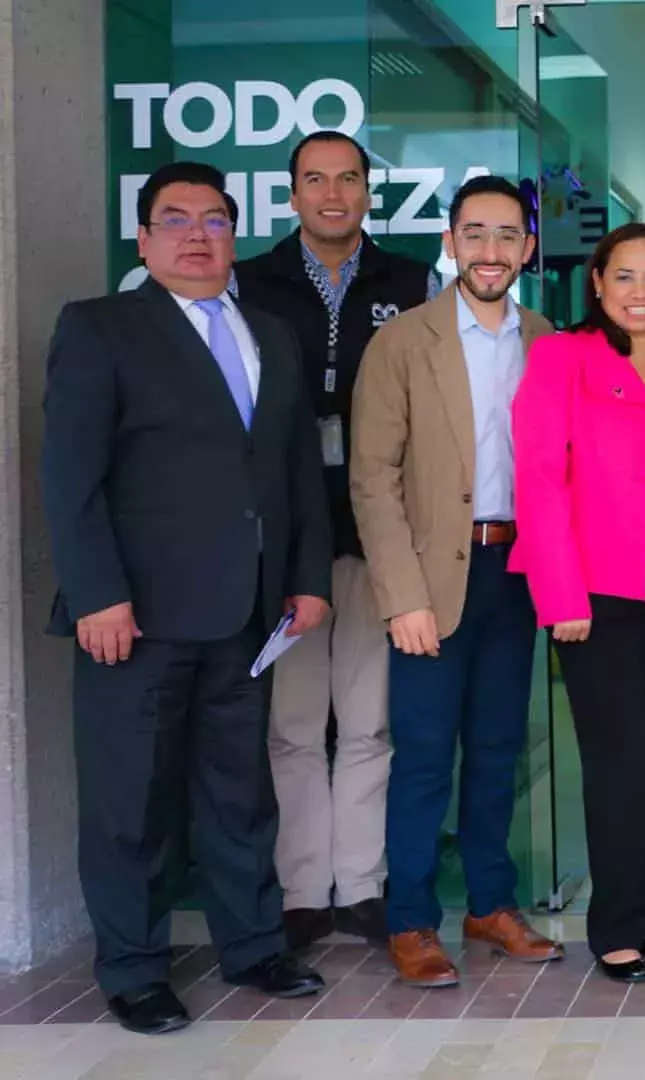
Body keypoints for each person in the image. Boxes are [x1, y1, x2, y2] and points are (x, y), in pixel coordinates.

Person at [41, 162, 331, 1034]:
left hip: (248, 613)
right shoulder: (101, 329)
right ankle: (133, 970)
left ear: (233, 234)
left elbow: (294, 476)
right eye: (175, 220)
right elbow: (70, 476)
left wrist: (308, 579)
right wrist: (97, 594)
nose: (197, 235)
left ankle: (253, 945)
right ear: (143, 239)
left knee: (239, 791)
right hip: (136, 617)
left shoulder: (270, 334)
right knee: (132, 800)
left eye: (213, 220)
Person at [233, 130, 442, 951]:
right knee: (289, 725)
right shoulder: (250, 282)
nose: (331, 193)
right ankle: (300, 891)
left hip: (375, 531)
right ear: (290, 195)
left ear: (367, 191)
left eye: (347, 179)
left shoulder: (412, 283)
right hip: (283, 538)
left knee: (366, 721)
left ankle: (358, 886)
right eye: (314, 180)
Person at [350, 175, 561, 987]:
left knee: (501, 749)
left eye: (508, 235)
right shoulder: (404, 342)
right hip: (433, 579)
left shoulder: (546, 340)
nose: (491, 251)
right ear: (450, 241)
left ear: (527, 250)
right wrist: (402, 596)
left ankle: (490, 903)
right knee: (426, 755)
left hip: (518, 573)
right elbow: (373, 479)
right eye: (475, 233)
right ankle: (410, 918)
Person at [511, 222, 645, 984]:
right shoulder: (562, 358)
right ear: (597, 283)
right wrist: (558, 592)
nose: (640, 291)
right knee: (618, 756)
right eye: (624, 276)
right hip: (599, 595)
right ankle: (613, 928)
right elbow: (537, 481)